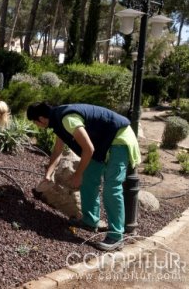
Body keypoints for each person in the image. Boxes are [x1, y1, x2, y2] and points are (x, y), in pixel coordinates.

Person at [27, 102, 141, 251]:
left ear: (41, 119)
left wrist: (77, 174)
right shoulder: (58, 122)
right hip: (102, 144)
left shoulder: (67, 119)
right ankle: (90, 220)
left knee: (111, 188)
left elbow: (88, 149)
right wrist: (48, 174)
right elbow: (57, 151)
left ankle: (116, 235)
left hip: (119, 138)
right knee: (89, 179)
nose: (37, 126)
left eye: (35, 123)